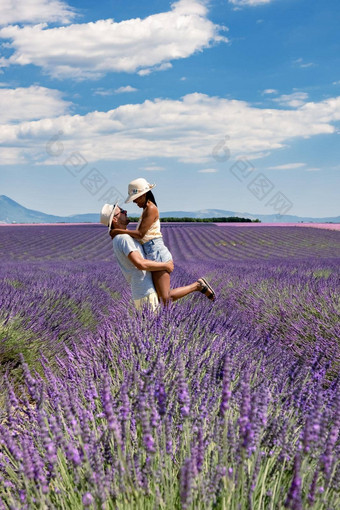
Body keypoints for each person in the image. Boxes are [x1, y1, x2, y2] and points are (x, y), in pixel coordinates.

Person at [109, 178, 215, 304]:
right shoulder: (145, 210)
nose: (135, 202)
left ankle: (197, 286)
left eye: (136, 198)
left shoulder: (151, 208)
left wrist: (119, 231)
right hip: (152, 253)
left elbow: (140, 234)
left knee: (165, 299)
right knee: (160, 299)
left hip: (157, 253)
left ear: (143, 194)